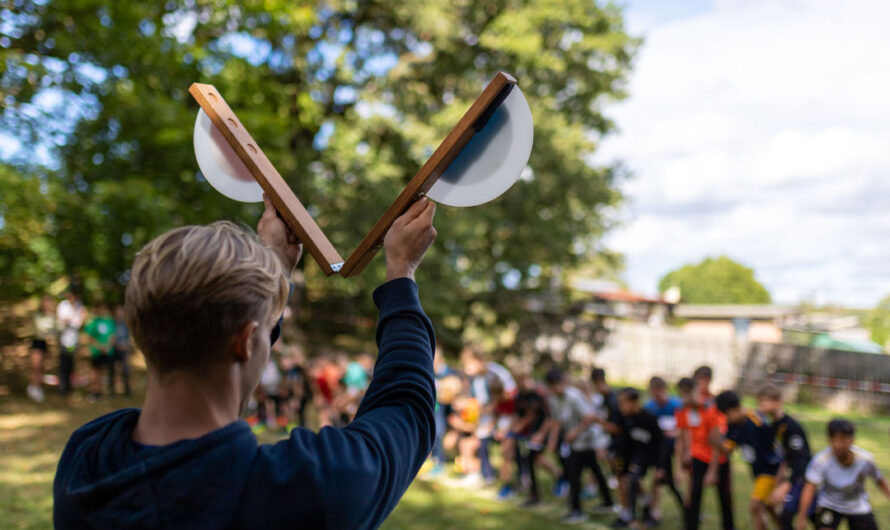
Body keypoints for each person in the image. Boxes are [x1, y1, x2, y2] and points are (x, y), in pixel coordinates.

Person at [54, 195, 438, 529]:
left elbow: (226, 361)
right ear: (246, 340)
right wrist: (401, 273)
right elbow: (405, 407)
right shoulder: (305, 490)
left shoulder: (85, 462)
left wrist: (273, 273)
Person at [546, 368, 613, 524]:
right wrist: (552, 440)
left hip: (585, 440)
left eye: (559, 384)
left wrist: (575, 432)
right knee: (594, 470)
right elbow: (557, 420)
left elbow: (590, 417)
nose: (557, 388)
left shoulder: (573, 397)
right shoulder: (554, 398)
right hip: (574, 442)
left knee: (574, 474)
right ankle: (608, 502)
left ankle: (577, 510)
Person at [796, 419, 890, 530]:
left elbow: (880, 481)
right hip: (830, 504)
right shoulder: (821, 460)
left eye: (842, 440)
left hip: (857, 505)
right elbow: (809, 488)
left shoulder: (865, 459)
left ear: (851, 440)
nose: (837, 445)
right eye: (833, 440)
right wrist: (801, 517)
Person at [714, 390, 782, 530]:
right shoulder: (733, 426)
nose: (727, 418)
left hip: (771, 470)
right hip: (758, 473)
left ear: (735, 408)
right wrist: (716, 441)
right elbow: (727, 448)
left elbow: (774, 438)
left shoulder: (756, 419)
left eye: (727, 414)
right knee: (769, 507)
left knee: (755, 507)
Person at [674, 377, 734, 530]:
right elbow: (681, 437)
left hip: (718, 460)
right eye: (683, 394)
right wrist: (679, 468)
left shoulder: (710, 410)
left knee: (724, 498)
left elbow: (716, 442)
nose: (686, 398)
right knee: (694, 495)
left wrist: (713, 471)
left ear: (697, 391)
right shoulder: (683, 411)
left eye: (689, 393)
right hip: (698, 457)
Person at [757, 384, 811, 530]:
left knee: (789, 515)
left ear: (778, 402)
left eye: (764, 402)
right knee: (773, 507)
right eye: (759, 402)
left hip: (803, 477)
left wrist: (787, 485)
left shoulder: (791, 427)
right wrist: (779, 477)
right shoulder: (774, 425)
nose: (760, 406)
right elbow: (785, 456)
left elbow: (800, 461)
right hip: (789, 474)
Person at [612, 387, 664, 529]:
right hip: (633, 457)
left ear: (634, 402)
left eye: (623, 403)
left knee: (639, 480)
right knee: (629, 479)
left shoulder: (649, 419)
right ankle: (632, 513)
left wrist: (661, 466)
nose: (621, 407)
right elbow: (625, 441)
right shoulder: (624, 418)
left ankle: (648, 513)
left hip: (650, 457)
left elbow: (661, 444)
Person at [644, 376, 685, 522]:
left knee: (667, 481)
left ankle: (688, 511)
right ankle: (654, 510)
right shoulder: (649, 408)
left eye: (659, 392)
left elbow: (683, 430)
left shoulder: (677, 405)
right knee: (660, 480)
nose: (657, 396)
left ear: (664, 390)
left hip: (675, 449)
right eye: (654, 393)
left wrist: (674, 433)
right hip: (659, 451)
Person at [83, 303, 116, 400]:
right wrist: (99, 347)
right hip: (96, 352)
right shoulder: (94, 322)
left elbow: (113, 336)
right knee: (95, 371)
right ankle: (94, 390)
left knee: (103, 371)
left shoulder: (110, 321)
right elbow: (89, 337)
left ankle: (101, 391)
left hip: (108, 351)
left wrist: (107, 347)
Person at [56, 290, 86, 395]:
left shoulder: (79, 306)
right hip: (64, 339)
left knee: (71, 363)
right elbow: (63, 320)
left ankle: (69, 387)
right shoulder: (63, 305)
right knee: (63, 363)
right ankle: (62, 387)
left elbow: (80, 321)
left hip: (74, 340)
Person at [29, 295, 56, 403]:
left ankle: (37, 387)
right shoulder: (38, 316)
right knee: (36, 367)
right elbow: (41, 329)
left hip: (46, 344)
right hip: (38, 342)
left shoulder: (52, 316)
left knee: (42, 367)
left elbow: (54, 329)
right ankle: (33, 387)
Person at [108, 305, 132, 396]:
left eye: (121, 311)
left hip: (124, 350)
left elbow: (129, 338)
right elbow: (110, 337)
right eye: (117, 311)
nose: (119, 313)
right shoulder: (112, 323)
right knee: (112, 370)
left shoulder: (126, 324)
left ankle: (127, 391)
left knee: (125, 370)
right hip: (114, 350)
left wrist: (126, 346)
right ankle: (112, 390)